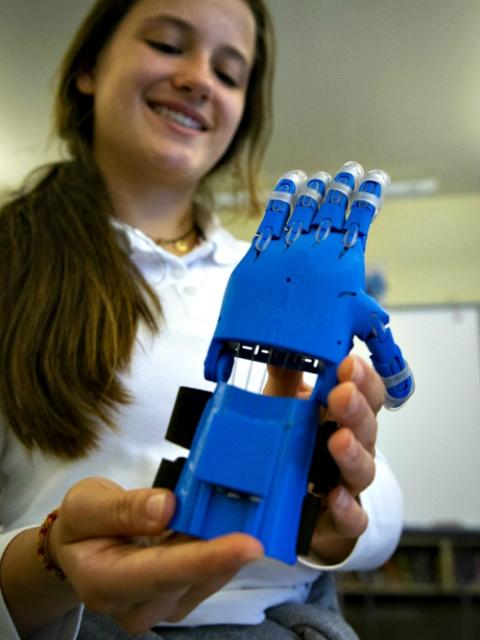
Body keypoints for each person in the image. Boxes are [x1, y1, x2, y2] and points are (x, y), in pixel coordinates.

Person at [0, 0, 403, 638]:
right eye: (166, 43)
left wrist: (333, 522)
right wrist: (44, 564)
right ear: (86, 67)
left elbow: (380, 509)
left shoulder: (264, 273)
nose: (198, 78)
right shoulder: (13, 263)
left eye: (230, 71)